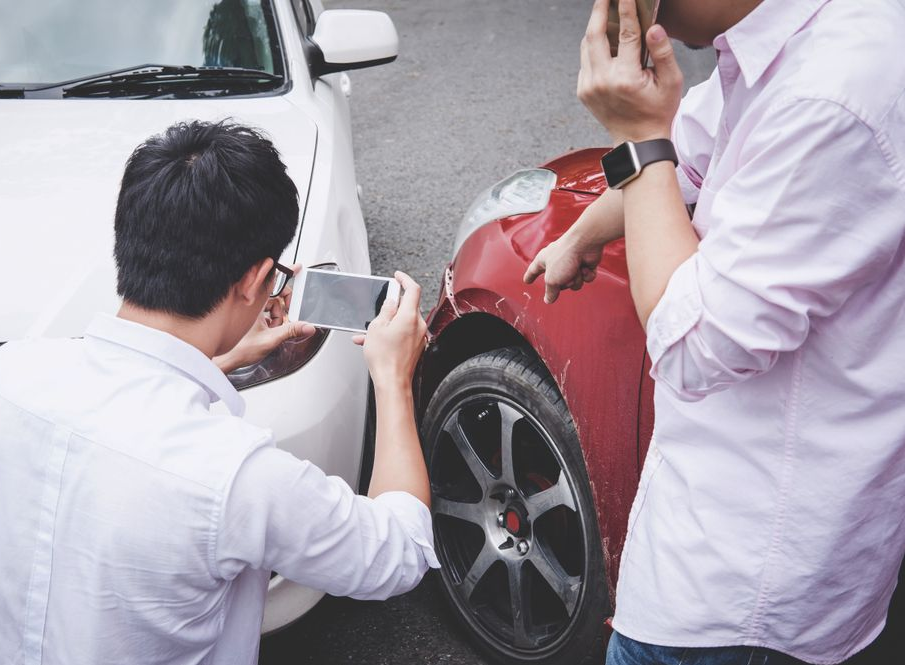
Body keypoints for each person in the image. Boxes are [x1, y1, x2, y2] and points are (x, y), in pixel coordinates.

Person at [525, 0, 905, 663]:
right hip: (746, 546)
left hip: (740, 591)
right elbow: (689, 155)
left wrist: (635, 130)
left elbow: (693, 348)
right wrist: (581, 232)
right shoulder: (783, 42)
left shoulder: (828, 94)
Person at [0, 120, 438, 665]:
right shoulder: (239, 476)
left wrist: (222, 356)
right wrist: (393, 379)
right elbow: (395, 555)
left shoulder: (14, 371)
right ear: (255, 280)